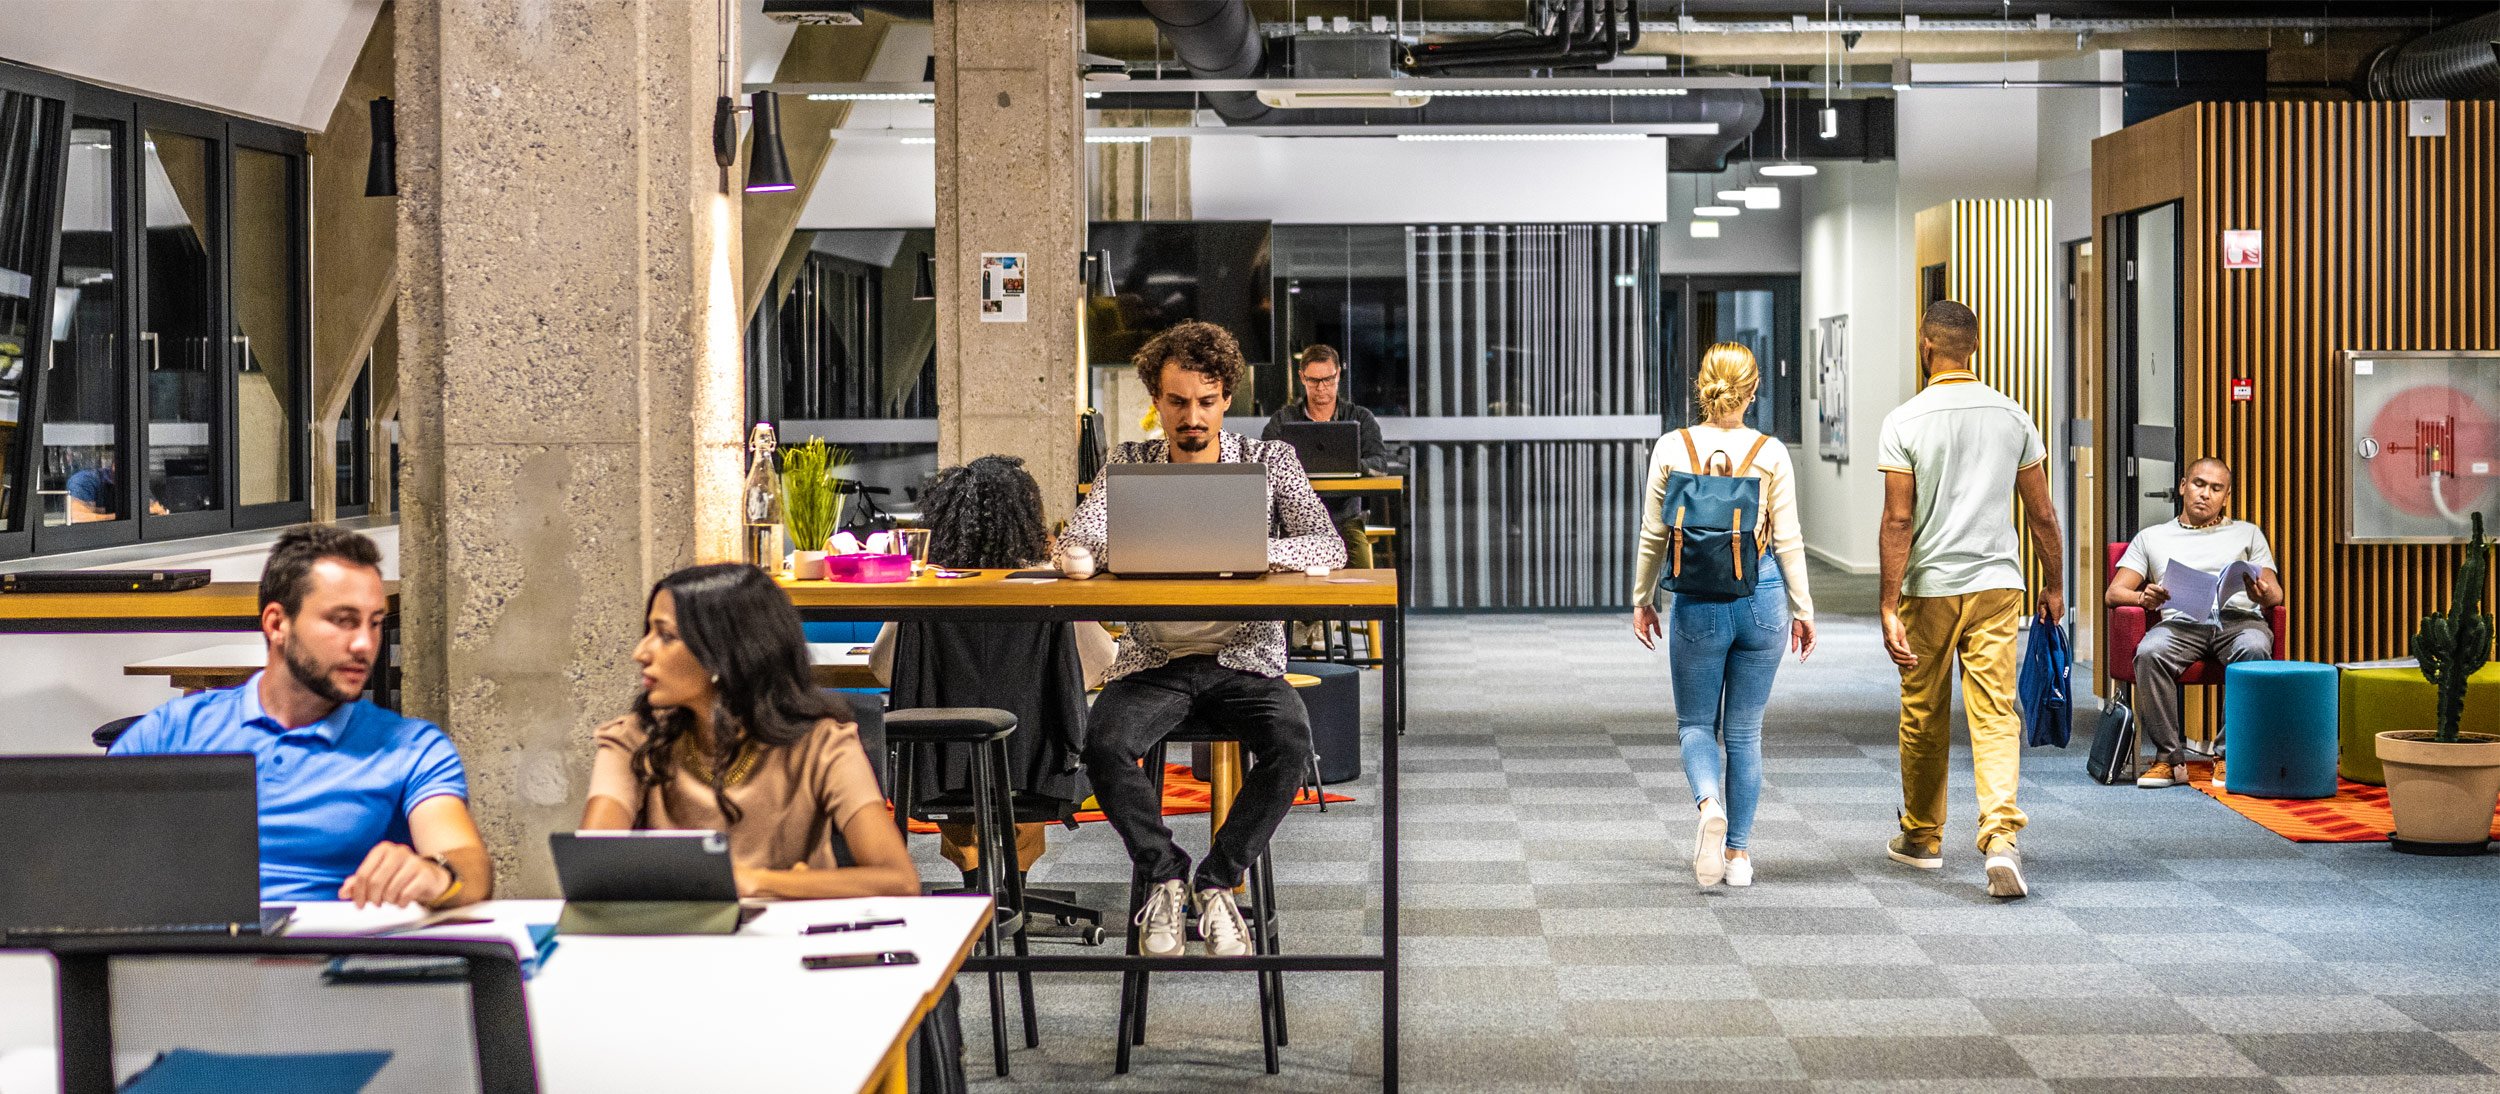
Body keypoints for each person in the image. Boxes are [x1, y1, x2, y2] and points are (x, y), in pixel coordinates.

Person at [1058, 319, 1345, 958]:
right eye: (1178, 401)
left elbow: (1328, 545)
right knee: (1101, 741)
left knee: (1292, 740)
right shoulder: (1129, 465)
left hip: (1243, 665)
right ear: (1155, 401)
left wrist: (1246, 549)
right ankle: (1164, 875)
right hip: (1154, 665)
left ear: (1227, 399)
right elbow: (1078, 541)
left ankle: (1218, 881)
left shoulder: (1269, 461)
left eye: (1207, 401)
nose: (1193, 416)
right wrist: (1098, 550)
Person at [112, 526, 492, 908]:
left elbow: (469, 867)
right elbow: (86, 848)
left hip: (335, 957)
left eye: (374, 623)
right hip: (196, 960)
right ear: (277, 624)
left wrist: (435, 873)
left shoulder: (411, 747)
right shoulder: (170, 733)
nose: (364, 644)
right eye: (343, 620)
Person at [1875, 300, 2065, 900]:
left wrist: (1886, 603)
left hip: (1930, 588)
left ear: (1925, 346)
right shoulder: (2013, 416)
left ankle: (1923, 837)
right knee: (1993, 714)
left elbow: (1898, 519)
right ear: (1974, 348)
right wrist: (2055, 584)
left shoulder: (1905, 420)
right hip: (1997, 586)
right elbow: (2041, 513)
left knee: (1924, 711)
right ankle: (2001, 837)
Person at [582, 563, 919, 899]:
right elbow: (591, 868)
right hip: (671, 942)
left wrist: (754, 880)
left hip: (793, 944)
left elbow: (899, 881)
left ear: (723, 652)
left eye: (666, 636)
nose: (640, 652)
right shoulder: (632, 739)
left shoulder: (822, 743)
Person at [868, 454, 1115, 883]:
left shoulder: (925, 588)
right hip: (1036, 773)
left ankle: (973, 880)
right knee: (1037, 737)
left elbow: (885, 668)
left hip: (937, 772)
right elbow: (1100, 665)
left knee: (951, 746)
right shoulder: (1048, 588)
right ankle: (1014, 884)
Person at [1631, 343, 1816, 889]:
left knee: (1694, 724)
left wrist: (1643, 598)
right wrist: (1803, 610)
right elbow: (1789, 540)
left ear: (1701, 386)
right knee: (1745, 733)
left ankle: (1709, 805)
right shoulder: (1771, 451)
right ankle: (1737, 856)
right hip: (1762, 600)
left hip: (1699, 603)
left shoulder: (1672, 447)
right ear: (1754, 391)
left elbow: (1653, 535)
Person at [2105, 457, 2284, 788]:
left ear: (2226, 496)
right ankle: (2169, 759)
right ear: (2183, 487)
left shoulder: (2248, 533)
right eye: (2199, 484)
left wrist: (2261, 593)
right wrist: (2143, 598)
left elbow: (2275, 595)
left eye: (2216, 488)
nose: (2206, 494)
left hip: (2238, 620)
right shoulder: (2152, 537)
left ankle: (2229, 756)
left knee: (2255, 647)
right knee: (2150, 652)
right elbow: (2115, 593)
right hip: (2181, 623)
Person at [1261, 344, 1390, 570]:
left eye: (1328, 380)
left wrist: (1349, 464)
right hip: (1296, 521)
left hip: (1345, 517)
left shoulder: (1360, 417)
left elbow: (1379, 463)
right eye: (1313, 381)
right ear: (1302, 377)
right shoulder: (1284, 419)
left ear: (1338, 374)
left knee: (1361, 574)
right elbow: (1264, 462)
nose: (1321, 388)